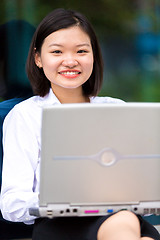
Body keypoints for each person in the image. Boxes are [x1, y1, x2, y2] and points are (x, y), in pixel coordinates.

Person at [0, 8, 159, 240]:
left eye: (81, 51)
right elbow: (11, 204)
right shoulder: (25, 115)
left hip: (123, 216)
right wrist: (64, 198)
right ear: (38, 58)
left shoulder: (116, 109)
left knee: (126, 222)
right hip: (60, 225)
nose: (70, 60)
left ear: (93, 56)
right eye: (57, 51)